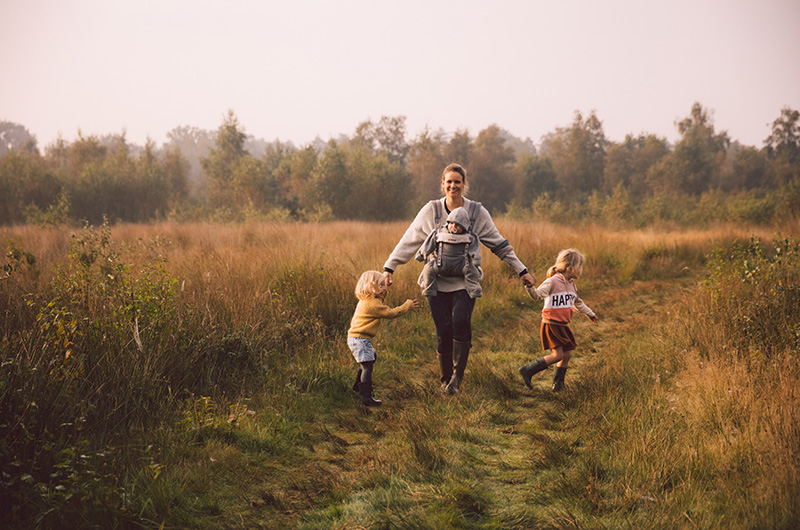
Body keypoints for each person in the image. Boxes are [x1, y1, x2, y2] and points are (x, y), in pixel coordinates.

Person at [383, 163, 535, 395]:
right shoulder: (432, 210)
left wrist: (522, 271)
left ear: (464, 184)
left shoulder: (476, 213)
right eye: (449, 181)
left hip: (465, 283)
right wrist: (390, 267)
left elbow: (499, 244)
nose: (453, 185)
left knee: (460, 323)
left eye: (457, 181)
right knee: (443, 331)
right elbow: (409, 241)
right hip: (435, 283)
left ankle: (457, 378)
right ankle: (445, 379)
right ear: (443, 184)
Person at [520, 248, 598, 392]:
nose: (581, 270)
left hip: (563, 326)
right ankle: (528, 370)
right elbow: (537, 295)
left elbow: (578, 302)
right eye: (580, 267)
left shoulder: (571, 284)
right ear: (570, 268)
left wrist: (590, 314)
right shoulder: (552, 282)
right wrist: (529, 287)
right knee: (557, 355)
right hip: (551, 325)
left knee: (566, 355)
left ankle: (558, 385)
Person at [347, 270, 420, 406]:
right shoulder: (373, 304)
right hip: (360, 339)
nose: (384, 288)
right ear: (371, 287)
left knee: (370, 359)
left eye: (383, 285)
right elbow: (390, 313)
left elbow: (381, 299)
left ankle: (359, 385)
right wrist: (407, 306)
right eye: (380, 286)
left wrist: (383, 287)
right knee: (367, 366)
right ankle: (366, 397)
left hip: (357, 338)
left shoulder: (368, 300)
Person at [416, 206, 482, 299]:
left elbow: (475, 249)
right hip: (440, 265)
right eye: (451, 223)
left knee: (473, 272)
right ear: (447, 223)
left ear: (464, 226)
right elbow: (428, 244)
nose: (453, 227)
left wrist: (476, 261)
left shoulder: (469, 237)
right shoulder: (439, 233)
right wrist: (421, 254)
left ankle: (474, 290)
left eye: (457, 225)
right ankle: (430, 289)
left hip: (462, 266)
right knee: (428, 269)